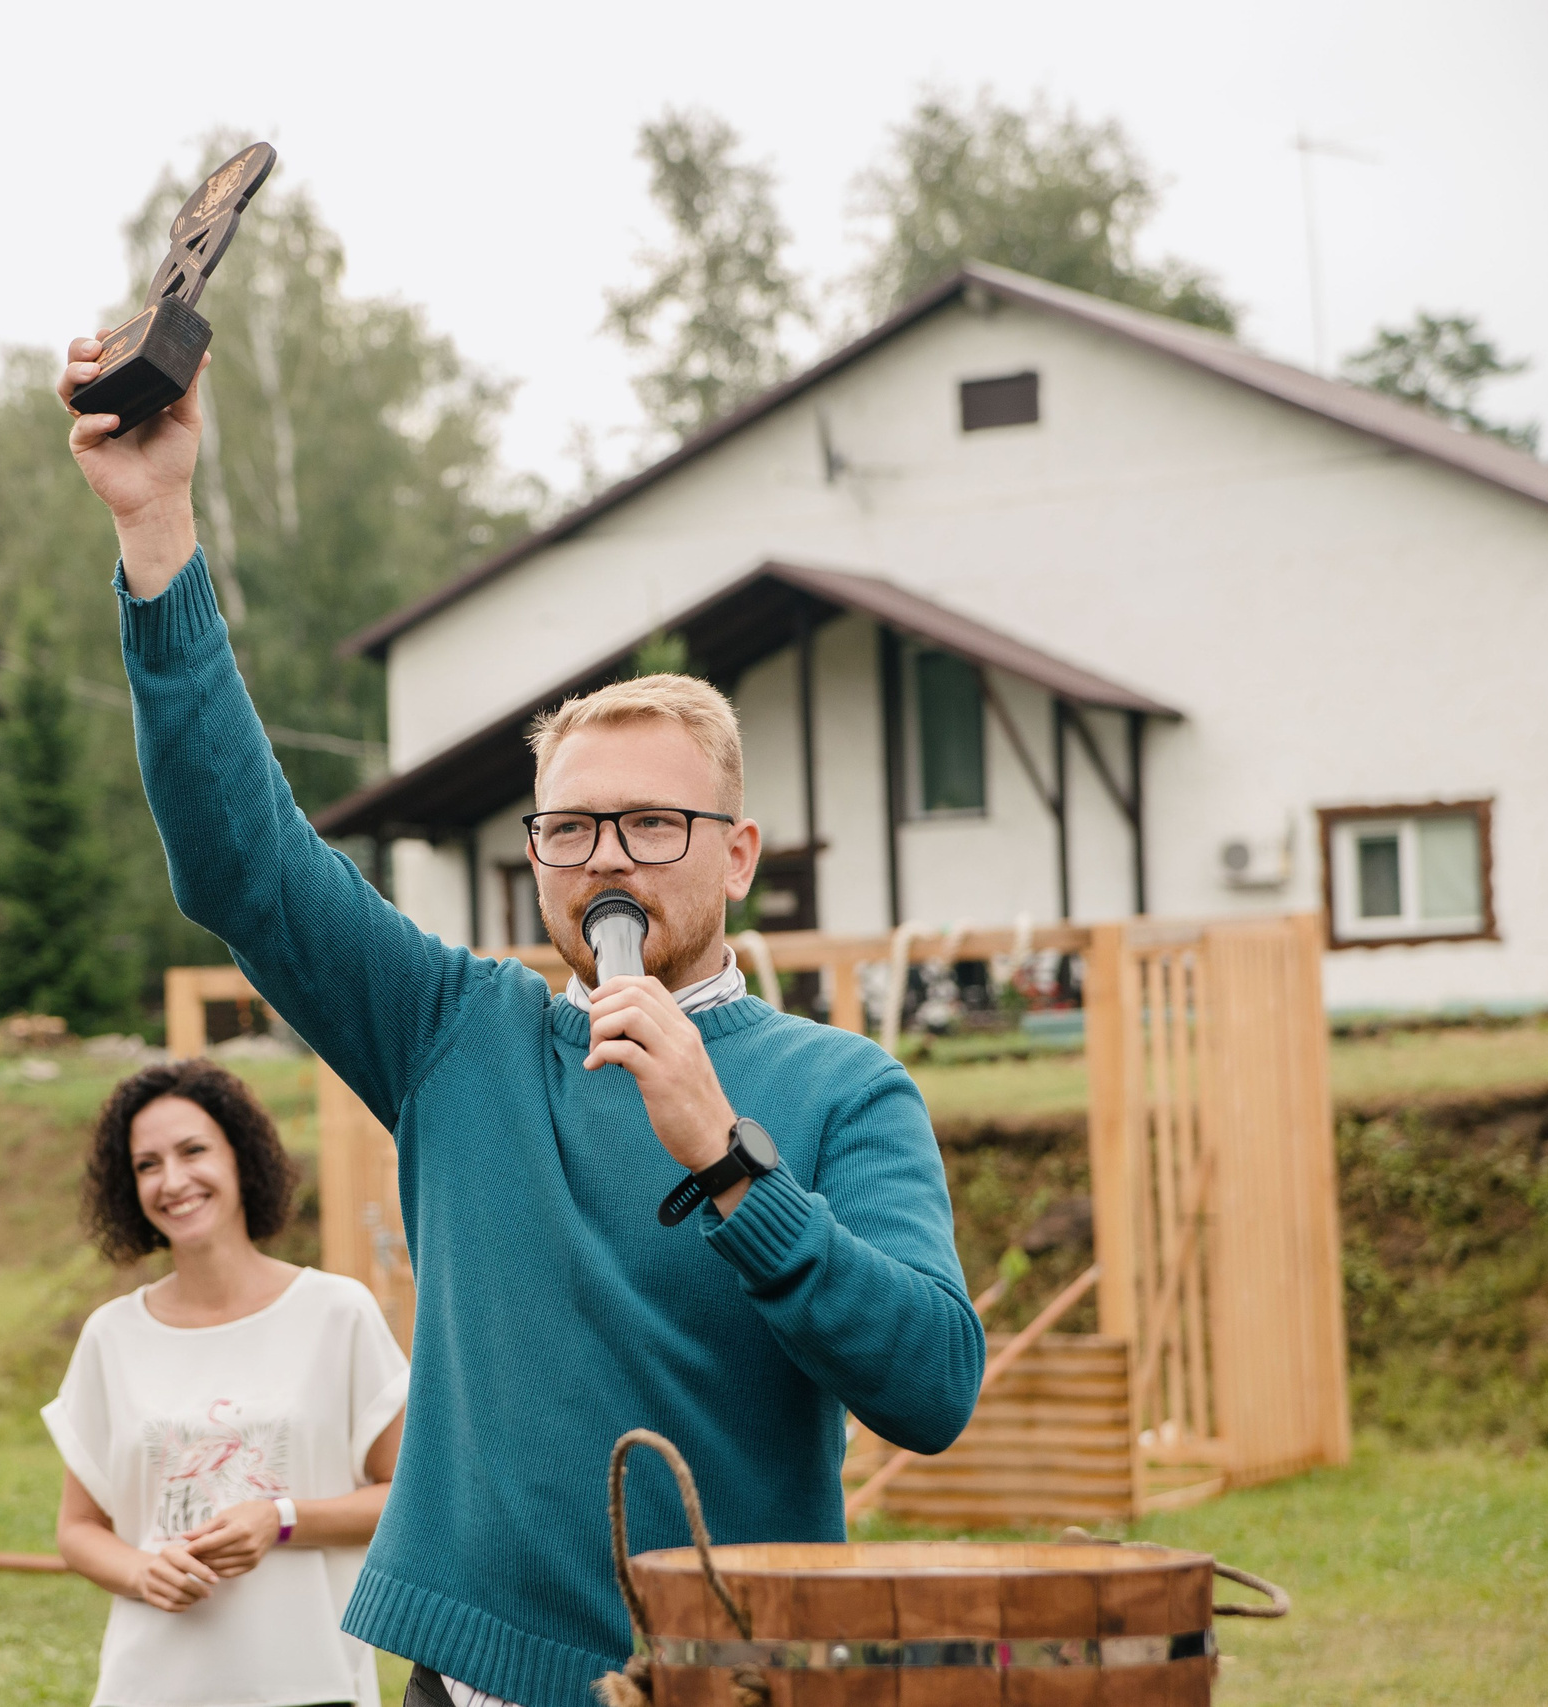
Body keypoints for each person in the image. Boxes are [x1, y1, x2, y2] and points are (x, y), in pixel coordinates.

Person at [57, 354, 985, 1707]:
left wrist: (728, 1160)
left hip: (726, 1669)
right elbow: (239, 860)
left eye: (652, 825)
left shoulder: (843, 1085)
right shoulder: (454, 1029)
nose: (607, 860)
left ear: (737, 855)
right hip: (471, 1670)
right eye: (569, 827)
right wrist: (155, 530)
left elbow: (932, 1385)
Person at [46, 1059, 409, 1707]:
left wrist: (281, 1518)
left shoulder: (336, 1313)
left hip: (309, 1680)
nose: (173, 1180)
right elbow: (77, 1527)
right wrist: (141, 1570)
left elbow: (405, 1499)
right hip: (150, 1685)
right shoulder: (111, 1335)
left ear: (241, 1156)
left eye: (193, 1150)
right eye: (147, 1164)